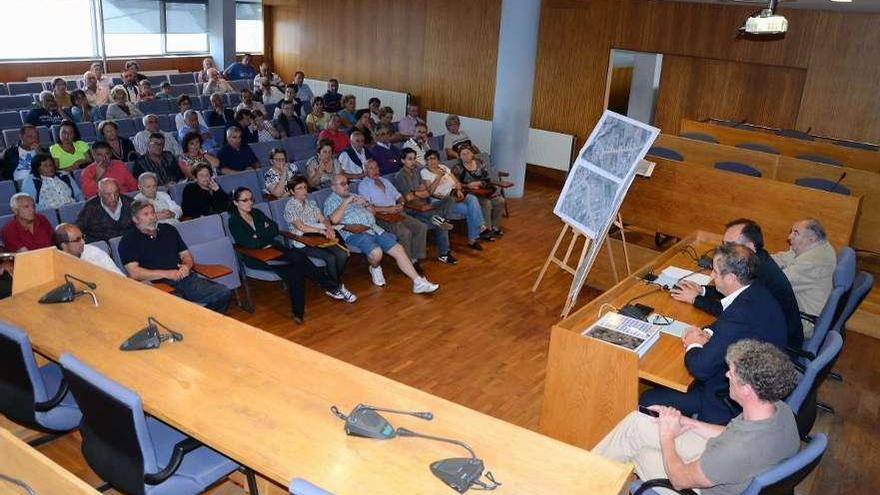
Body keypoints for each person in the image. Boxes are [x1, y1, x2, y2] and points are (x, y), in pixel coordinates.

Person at [595, 339, 800, 495]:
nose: (727, 375)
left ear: (747, 390)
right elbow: (729, 433)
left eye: (732, 373)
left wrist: (668, 436)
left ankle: (580, 484)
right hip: (726, 466)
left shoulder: (735, 451)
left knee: (636, 448)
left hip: (697, 485)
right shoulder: (780, 410)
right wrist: (686, 422)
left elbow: (679, 480)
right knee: (638, 422)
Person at [640, 243, 789, 425]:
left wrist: (694, 343)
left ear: (731, 278)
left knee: (649, 398)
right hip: (759, 382)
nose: (711, 275)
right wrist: (709, 332)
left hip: (728, 400)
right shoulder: (755, 291)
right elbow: (729, 322)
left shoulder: (741, 313)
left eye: (715, 272)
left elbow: (700, 368)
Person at [671, 219, 803, 351]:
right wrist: (702, 290)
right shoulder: (758, 259)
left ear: (750, 247)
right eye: (724, 244)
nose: (724, 250)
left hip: (780, 349)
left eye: (730, 245)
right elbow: (735, 292)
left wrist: (695, 299)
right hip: (769, 332)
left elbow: (733, 312)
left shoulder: (758, 274)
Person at [230, 187, 349, 324]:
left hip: (275, 249)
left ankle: (304, 309)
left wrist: (259, 237)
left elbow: (274, 229)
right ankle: (331, 286)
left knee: (298, 260)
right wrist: (263, 236)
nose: (250, 202)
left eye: (251, 199)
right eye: (245, 200)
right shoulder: (234, 221)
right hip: (258, 257)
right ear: (235, 203)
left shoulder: (256, 213)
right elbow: (248, 243)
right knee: (296, 269)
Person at [324, 174, 438, 293]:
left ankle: (418, 282)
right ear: (333, 187)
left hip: (374, 229)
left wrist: (366, 204)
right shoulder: (331, 201)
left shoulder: (355, 196)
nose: (347, 186)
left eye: (347, 183)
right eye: (342, 184)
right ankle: (375, 267)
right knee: (376, 253)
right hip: (355, 234)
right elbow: (334, 220)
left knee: (399, 249)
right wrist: (346, 202)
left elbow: (373, 212)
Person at [120, 200, 231, 313]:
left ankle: (203, 322)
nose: (152, 217)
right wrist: (166, 274)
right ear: (135, 219)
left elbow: (186, 255)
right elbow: (134, 272)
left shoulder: (168, 229)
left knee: (223, 292)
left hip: (183, 277)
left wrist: (187, 266)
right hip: (156, 284)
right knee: (180, 308)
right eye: (146, 214)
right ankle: (195, 322)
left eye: (152, 213)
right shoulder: (128, 240)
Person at [359, 159, 452, 271]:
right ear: (365, 171)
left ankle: (415, 259)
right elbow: (369, 208)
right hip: (380, 217)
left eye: (376, 167)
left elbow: (399, 196)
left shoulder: (385, 181)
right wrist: (389, 209)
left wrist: (401, 203)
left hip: (397, 213)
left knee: (420, 227)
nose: (375, 170)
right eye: (371, 168)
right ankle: (407, 264)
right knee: (405, 232)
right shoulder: (363, 185)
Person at [284, 176, 355, 300]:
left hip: (318, 237)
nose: (304, 191)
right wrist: (321, 230)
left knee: (342, 254)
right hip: (302, 241)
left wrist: (329, 228)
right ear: (291, 192)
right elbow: (301, 227)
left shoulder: (311, 203)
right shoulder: (290, 206)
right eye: (299, 188)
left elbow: (323, 219)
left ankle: (333, 285)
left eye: (305, 187)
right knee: (330, 257)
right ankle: (337, 287)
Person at [772, 219, 837, 339]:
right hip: (799, 309)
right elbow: (783, 258)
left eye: (795, 233)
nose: (789, 237)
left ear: (811, 238)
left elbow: (777, 283)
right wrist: (753, 259)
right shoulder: (815, 247)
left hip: (805, 321)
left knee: (753, 312)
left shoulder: (813, 261)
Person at [392, 148, 456, 264]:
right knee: (439, 221)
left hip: (425, 205)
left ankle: (441, 223)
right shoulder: (400, 176)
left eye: (414, 159)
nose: (413, 162)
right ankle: (442, 253)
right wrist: (418, 193)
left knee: (448, 200)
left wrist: (415, 192)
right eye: (409, 159)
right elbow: (408, 199)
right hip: (411, 209)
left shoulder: (417, 172)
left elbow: (427, 192)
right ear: (402, 160)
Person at [422, 150, 488, 250]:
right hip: (443, 201)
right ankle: (476, 235)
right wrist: (439, 177)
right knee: (471, 210)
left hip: (455, 195)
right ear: (426, 161)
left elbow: (457, 182)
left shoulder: (444, 167)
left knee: (472, 199)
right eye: (428, 159)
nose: (432, 161)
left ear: (438, 159)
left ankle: (480, 228)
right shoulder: (425, 172)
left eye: (434, 158)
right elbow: (431, 191)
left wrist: (458, 189)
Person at [455, 145, 504, 238]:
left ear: (472, 154)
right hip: (469, 194)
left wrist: (479, 183)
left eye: (468, 153)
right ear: (460, 156)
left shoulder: (479, 163)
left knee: (500, 200)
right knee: (487, 203)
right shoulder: (457, 168)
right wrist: (468, 185)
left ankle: (495, 227)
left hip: (483, 191)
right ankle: (487, 231)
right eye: (463, 154)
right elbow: (456, 184)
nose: (466, 156)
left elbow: (487, 179)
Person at [75, 178, 134, 242]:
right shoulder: (90, 206)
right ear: (99, 193)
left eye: (116, 193)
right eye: (108, 194)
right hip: (102, 245)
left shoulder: (130, 202)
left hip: (129, 242)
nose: (113, 197)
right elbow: (78, 228)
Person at [53, 223, 123, 275]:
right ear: (64, 245)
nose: (83, 242)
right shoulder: (56, 265)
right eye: (77, 240)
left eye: (82, 237)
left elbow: (118, 275)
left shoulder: (94, 252)